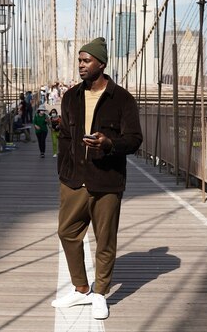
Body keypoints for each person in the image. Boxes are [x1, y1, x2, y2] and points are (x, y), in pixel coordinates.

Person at [51, 37, 143, 320]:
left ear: (101, 64)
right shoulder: (70, 97)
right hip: (74, 179)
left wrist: (108, 144)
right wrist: (64, 170)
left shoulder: (123, 99)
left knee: (105, 239)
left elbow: (134, 139)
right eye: (79, 60)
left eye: (86, 60)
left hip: (107, 180)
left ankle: (100, 293)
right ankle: (81, 289)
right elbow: (66, 136)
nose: (81, 65)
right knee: (67, 233)